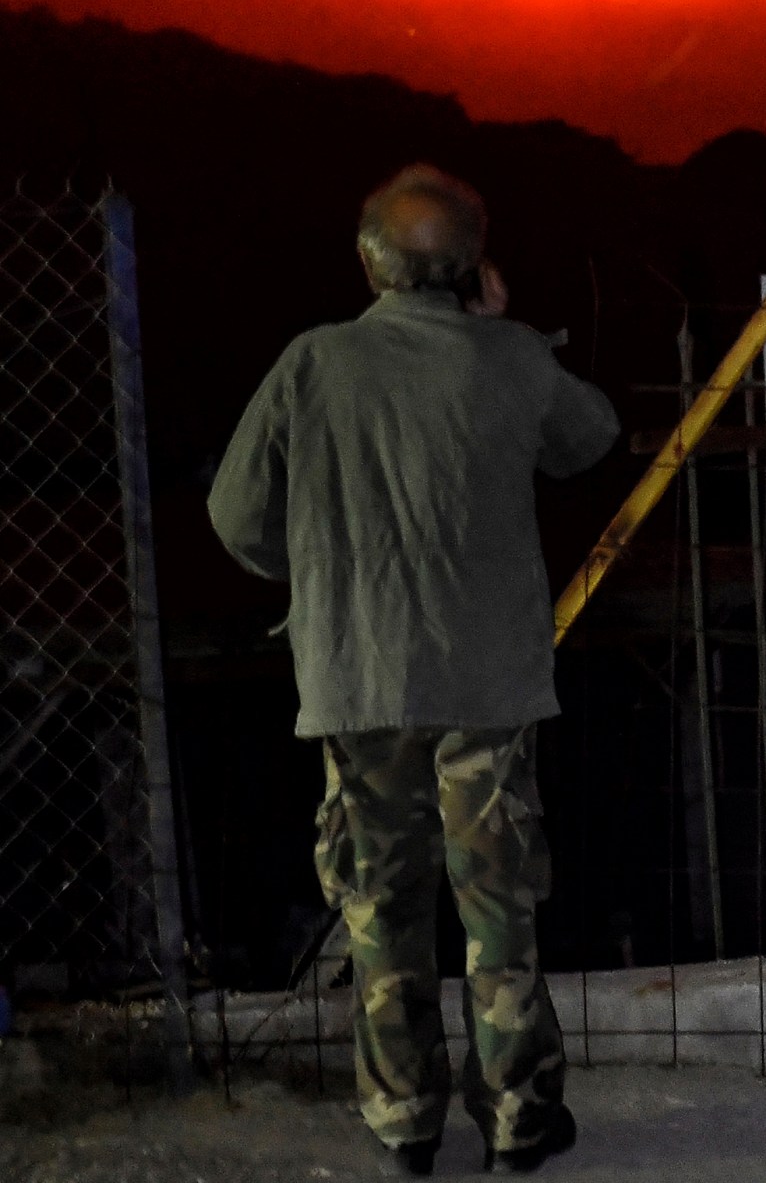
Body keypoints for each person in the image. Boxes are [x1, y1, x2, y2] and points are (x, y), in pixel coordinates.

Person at [209, 164, 619, 1175]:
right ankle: (521, 1114)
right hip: (488, 689)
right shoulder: (511, 360)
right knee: (498, 903)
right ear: (475, 266)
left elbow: (234, 517)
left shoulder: (312, 365)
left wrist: (310, 569)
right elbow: (591, 438)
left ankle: (403, 1123)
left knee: (381, 908)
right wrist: (502, 326)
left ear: (369, 262)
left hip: (359, 680)